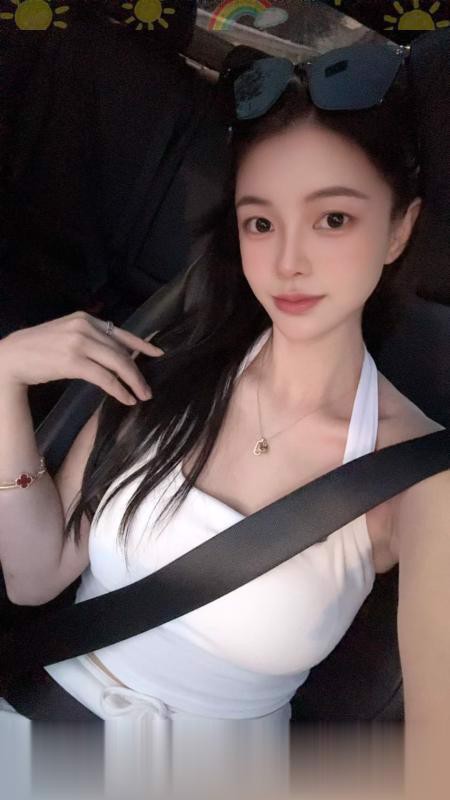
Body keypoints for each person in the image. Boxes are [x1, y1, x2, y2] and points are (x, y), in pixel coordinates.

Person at [0, 41, 448, 796]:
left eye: (333, 218)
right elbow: (35, 574)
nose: (289, 261)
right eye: (260, 223)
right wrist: (4, 378)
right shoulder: (167, 363)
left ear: (399, 231)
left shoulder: (420, 477)